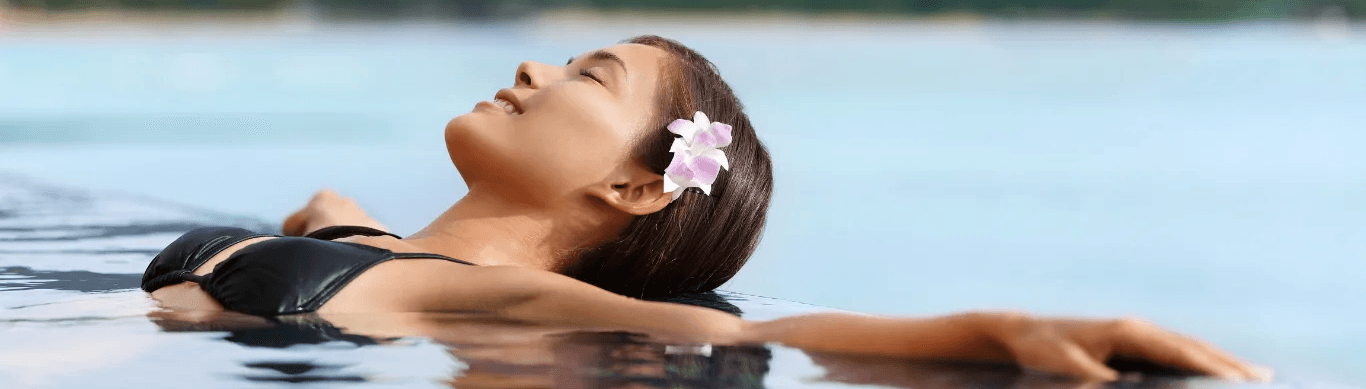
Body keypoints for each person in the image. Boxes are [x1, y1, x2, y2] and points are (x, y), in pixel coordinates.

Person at [142, 35, 1270, 382]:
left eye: (586, 76)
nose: (533, 70)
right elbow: (335, 214)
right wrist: (328, 222)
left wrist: (1002, 333)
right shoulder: (361, 240)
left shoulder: (497, 292)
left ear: (633, 186)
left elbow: (750, 333)